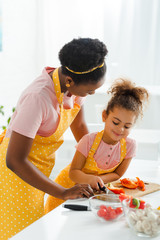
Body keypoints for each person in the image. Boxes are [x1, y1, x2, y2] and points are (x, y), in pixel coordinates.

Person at [0, 38, 108, 239]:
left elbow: (79, 125)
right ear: (70, 81)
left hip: (38, 171)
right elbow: (14, 160)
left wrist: (98, 163)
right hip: (15, 177)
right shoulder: (38, 98)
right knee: (23, 234)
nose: (91, 94)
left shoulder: (73, 83)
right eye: (89, 91)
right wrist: (62, 192)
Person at [45, 78, 149, 213]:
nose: (120, 130)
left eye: (127, 126)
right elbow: (74, 172)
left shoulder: (130, 146)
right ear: (104, 116)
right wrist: (90, 179)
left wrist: (98, 181)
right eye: (116, 122)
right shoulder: (88, 140)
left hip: (91, 194)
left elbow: (117, 174)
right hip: (67, 189)